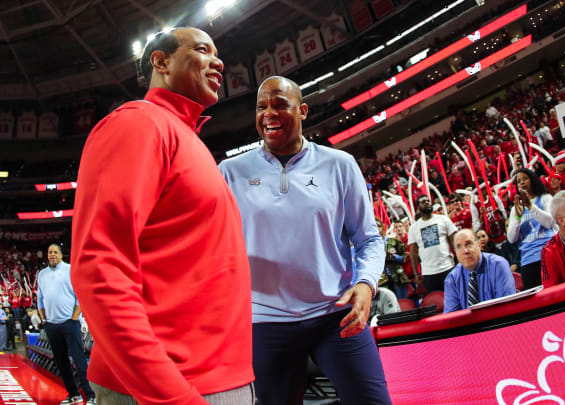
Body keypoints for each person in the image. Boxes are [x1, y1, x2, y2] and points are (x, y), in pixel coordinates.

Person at [71, 28, 254, 404]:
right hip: (173, 386)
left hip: (220, 377)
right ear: (161, 61)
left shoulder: (191, 141)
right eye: (203, 50)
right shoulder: (138, 125)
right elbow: (99, 269)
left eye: (218, 52)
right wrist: (171, 395)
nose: (218, 60)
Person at [219, 76, 390, 404]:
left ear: (303, 111)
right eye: (261, 106)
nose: (269, 113)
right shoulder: (229, 172)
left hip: (334, 313)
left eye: (280, 104)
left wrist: (367, 285)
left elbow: (368, 238)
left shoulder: (339, 165)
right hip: (264, 321)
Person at [37, 244, 94, 405]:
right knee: (61, 362)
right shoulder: (42, 274)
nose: (52, 254)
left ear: (61, 255)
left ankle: (90, 395)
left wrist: (75, 317)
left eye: (55, 252)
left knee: (79, 360)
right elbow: (39, 299)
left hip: (70, 323)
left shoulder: (70, 270)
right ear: (47, 255)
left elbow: (80, 294)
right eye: (50, 252)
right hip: (51, 325)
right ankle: (73, 394)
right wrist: (43, 320)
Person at [507, 168, 557, 289]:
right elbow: (511, 238)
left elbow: (550, 222)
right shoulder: (516, 209)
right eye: (519, 181)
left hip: (549, 254)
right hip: (528, 260)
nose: (522, 182)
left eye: (525, 178)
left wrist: (530, 206)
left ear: (533, 180)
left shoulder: (545, 198)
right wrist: (518, 217)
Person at [443, 229, 515, 313]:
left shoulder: (498, 265)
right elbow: (452, 318)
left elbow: (506, 307)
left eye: (468, 244)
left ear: (479, 245)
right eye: (459, 247)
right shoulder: (452, 279)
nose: (465, 251)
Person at [407, 195, 458, 293]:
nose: (427, 203)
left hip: (447, 267)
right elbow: (413, 253)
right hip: (429, 272)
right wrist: (416, 274)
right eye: (423, 202)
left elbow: (455, 241)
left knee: (454, 295)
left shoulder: (443, 219)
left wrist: (460, 261)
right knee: (437, 302)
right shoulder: (414, 228)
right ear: (418, 207)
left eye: (428, 201)